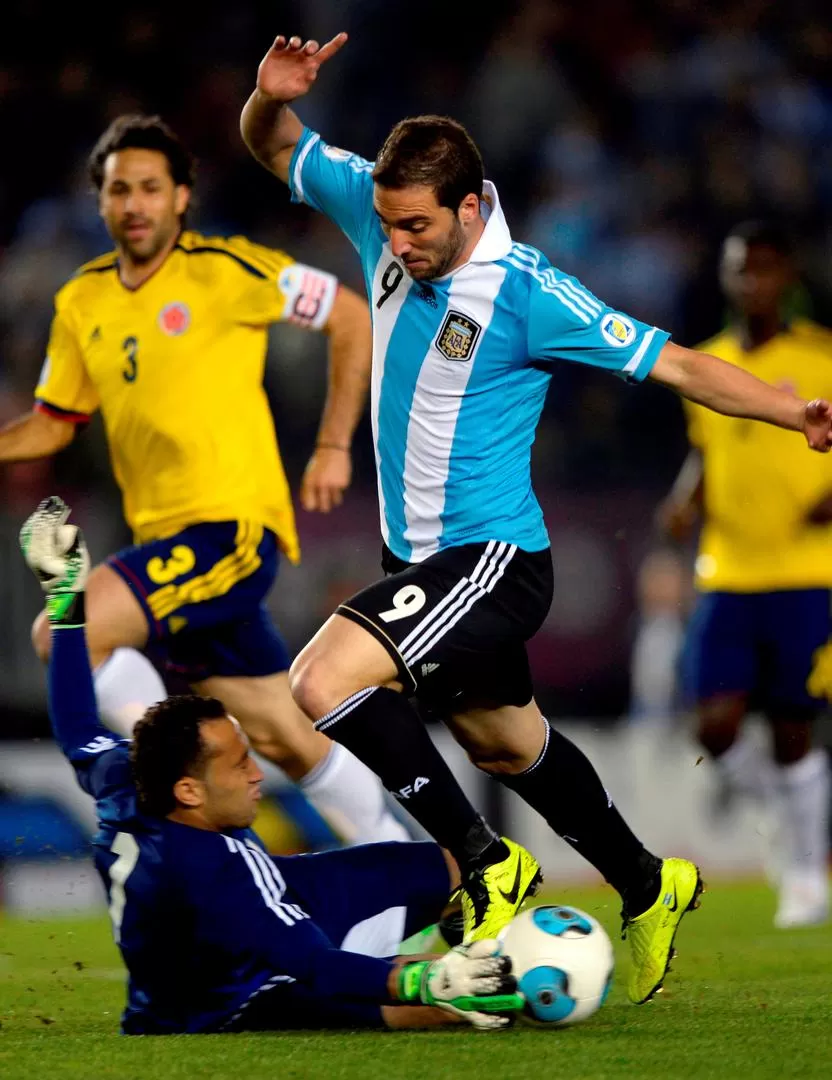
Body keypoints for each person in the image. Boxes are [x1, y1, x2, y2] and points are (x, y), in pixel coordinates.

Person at [239, 32, 832, 1004]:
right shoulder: (380, 205)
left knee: (319, 682)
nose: (396, 245)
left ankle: (481, 861)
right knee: (506, 745)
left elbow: (676, 362)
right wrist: (267, 96)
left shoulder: (527, 292)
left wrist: (787, 408)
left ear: (470, 207)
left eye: (417, 228)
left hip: (490, 561)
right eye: (386, 226)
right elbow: (272, 144)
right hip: (417, 562)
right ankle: (650, 884)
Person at [0, 113, 408, 847]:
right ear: (100, 202)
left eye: (151, 188)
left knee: (62, 630)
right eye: (120, 189)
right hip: (168, 552)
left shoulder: (228, 270)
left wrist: (331, 447)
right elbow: (52, 424)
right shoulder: (81, 301)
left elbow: (350, 317)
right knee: (284, 735)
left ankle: (162, 769)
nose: (134, 203)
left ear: (181, 197)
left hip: (230, 532)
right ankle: (420, 870)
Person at [19, 496, 521, 1034]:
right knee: (459, 1006)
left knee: (450, 866)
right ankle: (475, 974)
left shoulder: (127, 777)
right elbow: (314, 965)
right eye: (239, 766)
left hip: (245, 918)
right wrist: (424, 983)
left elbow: (76, 723)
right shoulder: (220, 869)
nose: (257, 774)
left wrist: (65, 594)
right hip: (230, 996)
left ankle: (460, 940)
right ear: (189, 790)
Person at [658, 222, 832, 927]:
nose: (750, 282)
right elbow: (708, 446)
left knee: (794, 727)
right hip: (726, 571)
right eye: (739, 270)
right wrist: (684, 498)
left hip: (805, 570)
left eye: (763, 269)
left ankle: (802, 874)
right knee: (714, 727)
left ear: (787, 275)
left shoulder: (821, 355)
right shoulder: (708, 361)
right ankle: (785, 828)